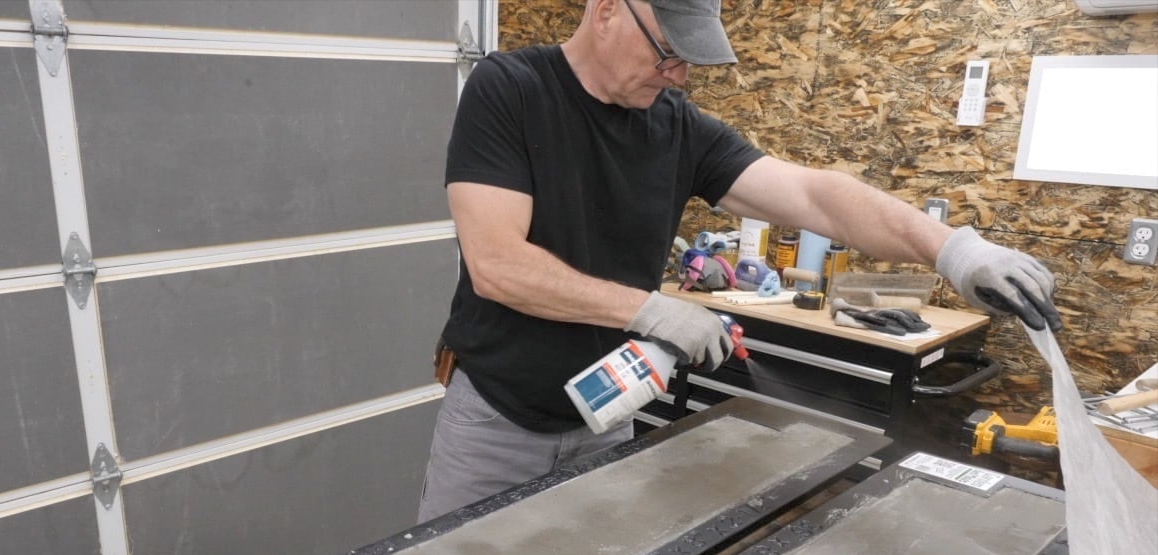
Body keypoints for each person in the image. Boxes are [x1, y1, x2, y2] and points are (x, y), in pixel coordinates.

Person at [417, 0, 1061, 522]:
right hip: (496, 420)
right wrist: (651, 310)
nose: (679, 76)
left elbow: (817, 196)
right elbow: (497, 265)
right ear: (608, 9)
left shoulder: (676, 126)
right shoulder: (510, 89)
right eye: (668, 52)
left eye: (689, 62)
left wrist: (952, 248)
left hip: (605, 412)